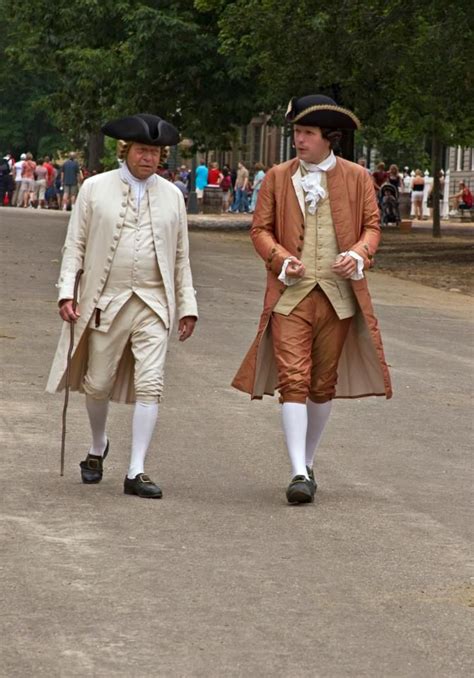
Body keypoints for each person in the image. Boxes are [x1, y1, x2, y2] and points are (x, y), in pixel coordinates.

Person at [232, 94, 392, 505]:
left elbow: (373, 227)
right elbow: (260, 229)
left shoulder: (357, 177)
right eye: (297, 132)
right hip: (290, 297)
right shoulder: (276, 177)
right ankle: (298, 472)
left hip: (339, 297)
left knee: (323, 385)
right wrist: (282, 259)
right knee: (294, 382)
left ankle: (308, 458)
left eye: (307, 133)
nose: (299, 141)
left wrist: (358, 253)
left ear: (328, 138)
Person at [46, 113, 198, 499]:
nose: (149, 158)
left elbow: (181, 257)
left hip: (154, 302)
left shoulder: (174, 196)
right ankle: (98, 445)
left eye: (155, 152)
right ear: (125, 150)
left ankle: (137, 470)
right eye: (143, 150)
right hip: (106, 300)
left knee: (152, 384)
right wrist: (67, 291)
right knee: (96, 384)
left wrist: (187, 305)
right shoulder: (95, 189)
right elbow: (75, 245)